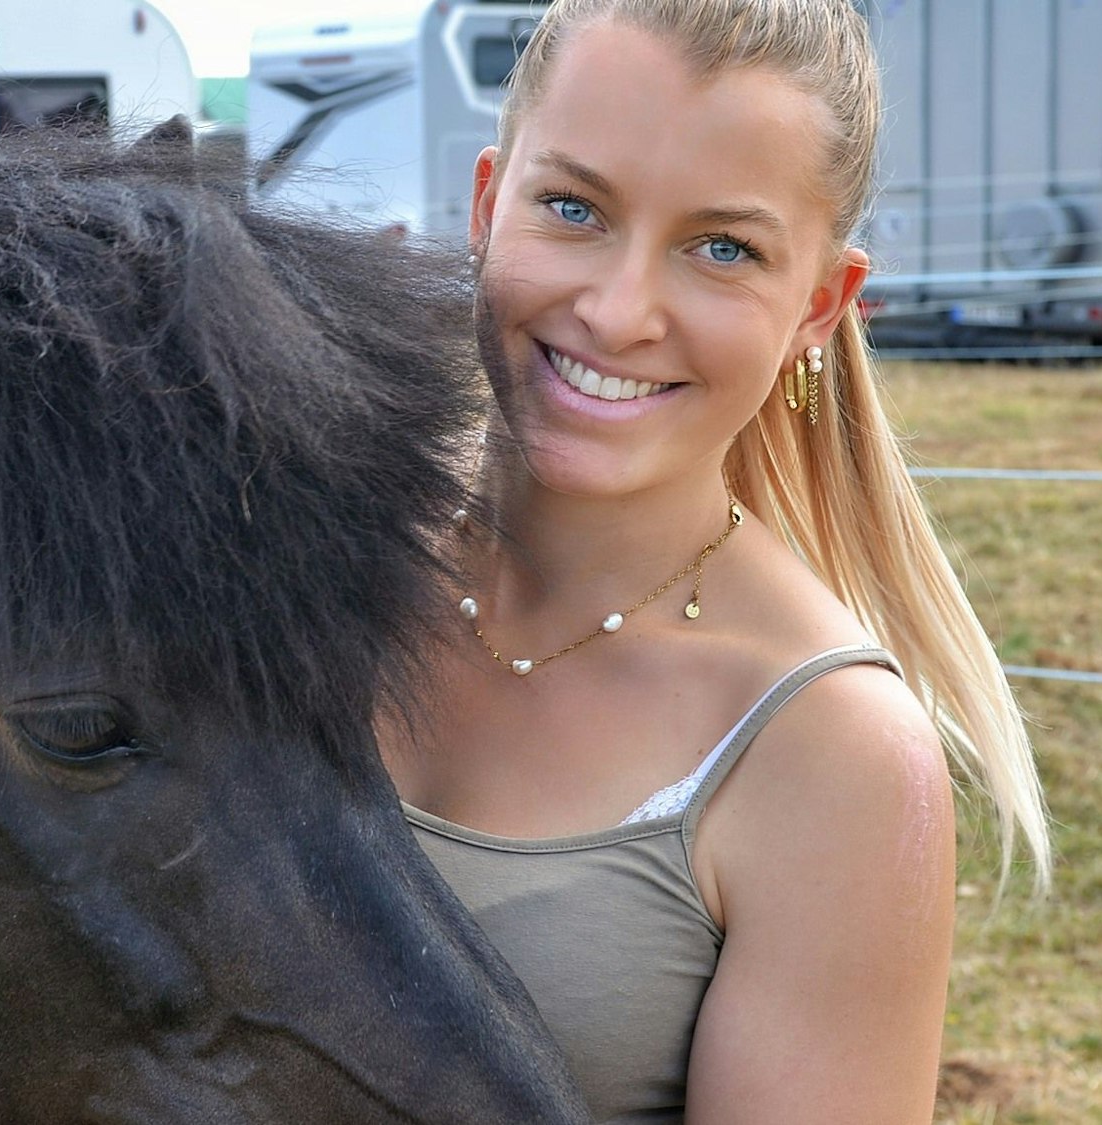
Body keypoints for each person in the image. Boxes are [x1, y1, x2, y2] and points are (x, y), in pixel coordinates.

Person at [379, 1, 1052, 1121]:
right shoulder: (302, 561)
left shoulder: (830, 755)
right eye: (571, 208)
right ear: (487, 204)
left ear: (818, 309)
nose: (617, 309)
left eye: (721, 248)